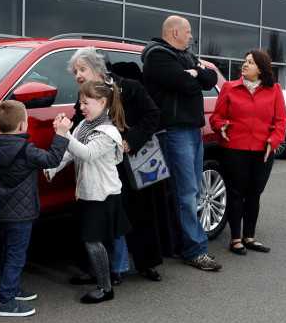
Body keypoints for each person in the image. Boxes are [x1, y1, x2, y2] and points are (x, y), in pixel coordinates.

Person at [67, 47, 163, 283]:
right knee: (105, 216)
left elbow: (153, 115)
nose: (78, 75)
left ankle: (145, 263)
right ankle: (108, 270)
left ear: (98, 68)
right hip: (102, 165)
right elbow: (80, 127)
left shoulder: (130, 87)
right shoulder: (83, 95)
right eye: (75, 71)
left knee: (140, 214)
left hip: (133, 160)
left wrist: (131, 141)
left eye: (82, 69)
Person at [141, 15, 222, 271]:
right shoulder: (157, 56)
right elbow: (187, 85)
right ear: (175, 32)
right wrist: (196, 75)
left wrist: (197, 70)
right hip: (174, 132)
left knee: (193, 191)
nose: (191, 37)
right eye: (188, 32)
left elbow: (210, 81)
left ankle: (183, 243)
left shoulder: (187, 55)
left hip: (192, 131)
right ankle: (195, 250)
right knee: (186, 194)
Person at [46, 81, 130, 304]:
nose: (81, 106)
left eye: (86, 102)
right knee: (91, 238)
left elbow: (87, 153)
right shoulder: (84, 124)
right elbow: (71, 153)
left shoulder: (108, 131)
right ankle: (96, 274)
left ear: (102, 102)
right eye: (80, 102)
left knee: (93, 240)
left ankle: (105, 287)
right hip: (87, 192)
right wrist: (52, 169)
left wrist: (65, 135)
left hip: (103, 194)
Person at [0, 100, 70, 317]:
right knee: (17, 255)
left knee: (8, 251)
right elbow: (52, 159)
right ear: (23, 125)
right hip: (22, 213)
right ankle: (5, 301)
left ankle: (12, 289)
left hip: (3, 210)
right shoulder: (26, 150)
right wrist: (61, 134)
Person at [209, 50, 286, 255]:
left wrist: (274, 140)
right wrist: (222, 126)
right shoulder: (229, 88)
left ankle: (249, 237)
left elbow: (280, 120)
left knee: (254, 194)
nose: (244, 65)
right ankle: (235, 239)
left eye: (250, 62)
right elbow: (216, 117)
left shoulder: (274, 90)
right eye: (244, 62)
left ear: (260, 69)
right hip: (235, 149)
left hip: (263, 150)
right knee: (236, 193)